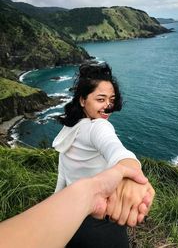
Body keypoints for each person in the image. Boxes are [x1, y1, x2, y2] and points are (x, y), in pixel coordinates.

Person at [52, 62, 155, 248]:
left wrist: (55, 206)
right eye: (101, 99)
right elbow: (116, 149)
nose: (108, 106)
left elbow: (65, 175)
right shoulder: (99, 126)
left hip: (69, 217)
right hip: (99, 224)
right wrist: (132, 173)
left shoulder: (72, 127)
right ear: (83, 100)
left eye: (111, 100)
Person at [0, 164, 150, 248]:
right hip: (83, 218)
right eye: (100, 104)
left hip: (75, 215)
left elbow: (117, 149)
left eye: (112, 104)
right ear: (82, 104)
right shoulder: (94, 127)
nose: (108, 106)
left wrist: (127, 169)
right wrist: (129, 171)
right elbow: (115, 147)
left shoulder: (80, 128)